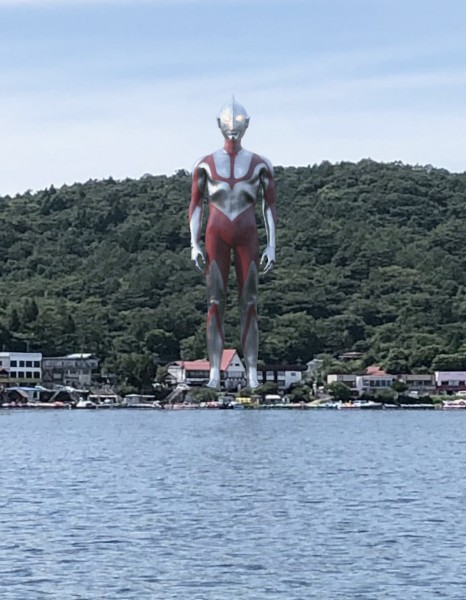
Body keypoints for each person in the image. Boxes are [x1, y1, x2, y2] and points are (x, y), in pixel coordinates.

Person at [189, 97, 277, 389]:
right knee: (215, 301)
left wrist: (272, 244)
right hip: (216, 233)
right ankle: (215, 371)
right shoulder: (204, 164)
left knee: (249, 301)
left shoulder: (260, 164)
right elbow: (196, 205)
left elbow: (269, 206)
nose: (232, 129)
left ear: (247, 125)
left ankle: (251, 371)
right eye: (227, 123)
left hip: (246, 233)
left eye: (238, 123)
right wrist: (194, 242)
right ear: (219, 125)